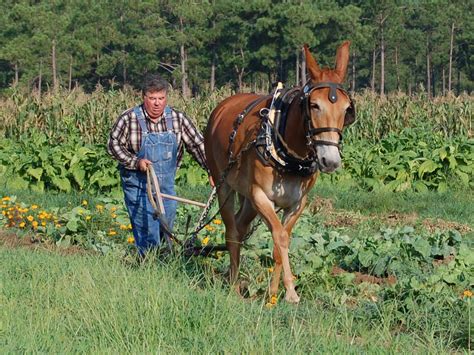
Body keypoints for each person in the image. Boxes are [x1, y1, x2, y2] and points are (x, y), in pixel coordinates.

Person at [107, 74, 211, 256]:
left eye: (161, 98)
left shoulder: (178, 119)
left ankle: (164, 262)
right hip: (138, 185)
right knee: (147, 229)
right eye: (152, 98)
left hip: (165, 186)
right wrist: (135, 162)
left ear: (166, 98)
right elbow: (113, 145)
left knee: (166, 227)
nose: (157, 103)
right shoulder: (129, 118)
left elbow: (197, 145)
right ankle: (148, 265)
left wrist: (211, 169)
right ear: (144, 97)